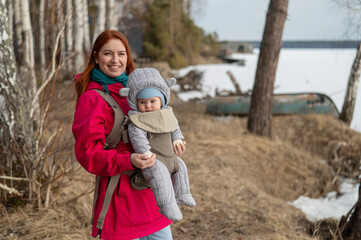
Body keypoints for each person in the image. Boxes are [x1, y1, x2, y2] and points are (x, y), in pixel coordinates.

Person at [72, 30, 173, 240]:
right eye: (108, 53)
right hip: (122, 201)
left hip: (152, 194)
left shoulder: (141, 91)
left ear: (128, 57)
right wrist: (129, 160)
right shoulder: (92, 99)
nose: (115, 60)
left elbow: (159, 126)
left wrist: (174, 141)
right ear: (96, 56)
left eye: (121, 53)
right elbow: (88, 155)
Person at [119, 68, 196, 222]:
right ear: (135, 102)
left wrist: (177, 140)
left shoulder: (167, 114)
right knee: (160, 176)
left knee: (180, 167)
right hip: (152, 160)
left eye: (152, 101)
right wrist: (145, 151)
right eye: (142, 102)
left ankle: (183, 193)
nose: (148, 106)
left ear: (161, 100)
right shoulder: (137, 121)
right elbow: (137, 137)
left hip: (170, 157)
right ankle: (167, 204)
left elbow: (174, 127)